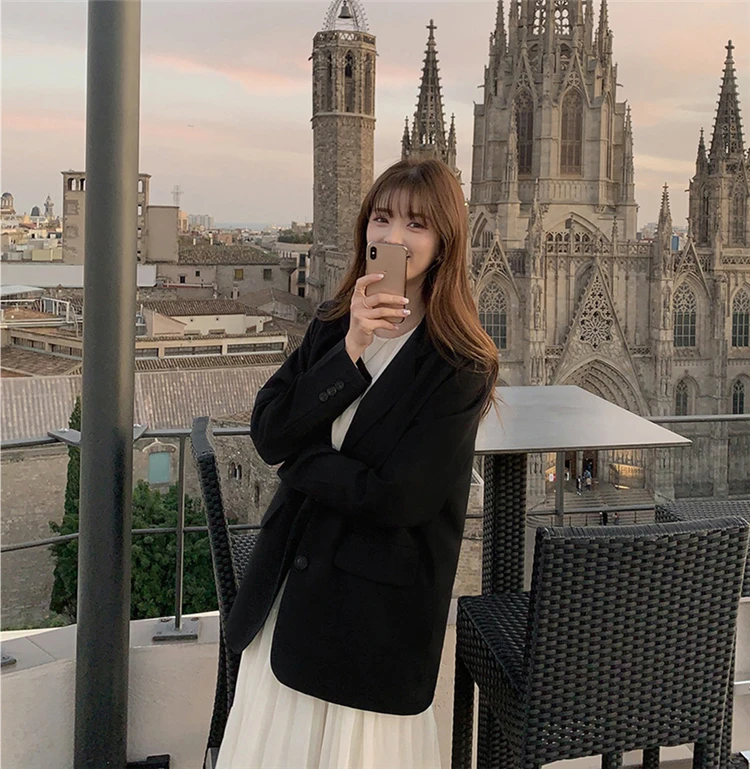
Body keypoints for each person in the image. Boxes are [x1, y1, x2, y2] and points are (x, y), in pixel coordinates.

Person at [215, 158, 500, 769]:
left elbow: (401, 498)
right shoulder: (333, 324)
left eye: (416, 224)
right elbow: (269, 430)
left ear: (445, 241)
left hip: (369, 622)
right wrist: (352, 348)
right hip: (289, 600)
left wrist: (300, 464)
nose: (393, 236)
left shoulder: (458, 363)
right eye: (382, 217)